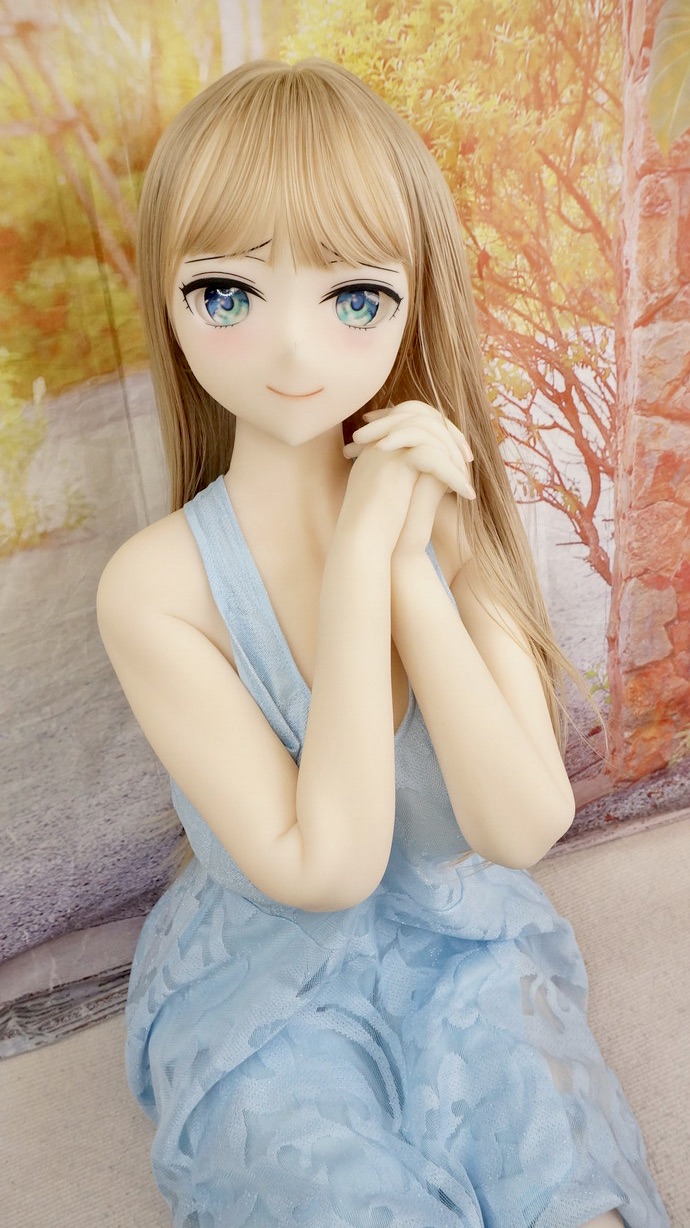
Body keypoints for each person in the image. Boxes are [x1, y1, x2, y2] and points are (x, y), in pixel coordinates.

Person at [97, 58, 668, 1228]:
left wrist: (412, 566)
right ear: (167, 297)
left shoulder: (452, 512)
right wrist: (364, 559)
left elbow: (522, 825)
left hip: (468, 943)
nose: (293, 352)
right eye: (227, 294)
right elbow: (328, 869)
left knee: (570, 1190)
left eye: (353, 298)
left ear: (415, 303)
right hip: (265, 985)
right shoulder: (156, 587)